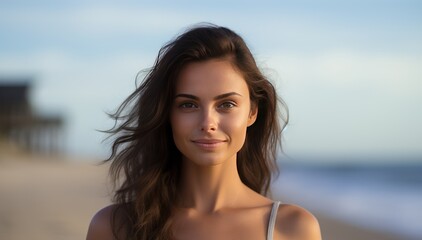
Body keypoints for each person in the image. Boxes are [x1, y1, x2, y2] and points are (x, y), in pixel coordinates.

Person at [86, 24, 321, 240]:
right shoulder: (113, 227)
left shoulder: (292, 229)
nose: (208, 123)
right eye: (188, 105)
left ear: (252, 112)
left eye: (226, 104)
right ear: (167, 114)